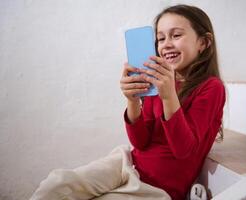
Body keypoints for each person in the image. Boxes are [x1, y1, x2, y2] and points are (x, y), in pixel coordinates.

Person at [30, 4, 225, 200]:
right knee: (57, 184)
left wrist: (169, 96)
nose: (166, 44)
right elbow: (140, 142)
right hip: (128, 162)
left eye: (176, 35)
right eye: (160, 38)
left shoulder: (211, 88)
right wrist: (132, 101)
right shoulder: (158, 82)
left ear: (204, 43)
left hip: (157, 188)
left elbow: (184, 150)